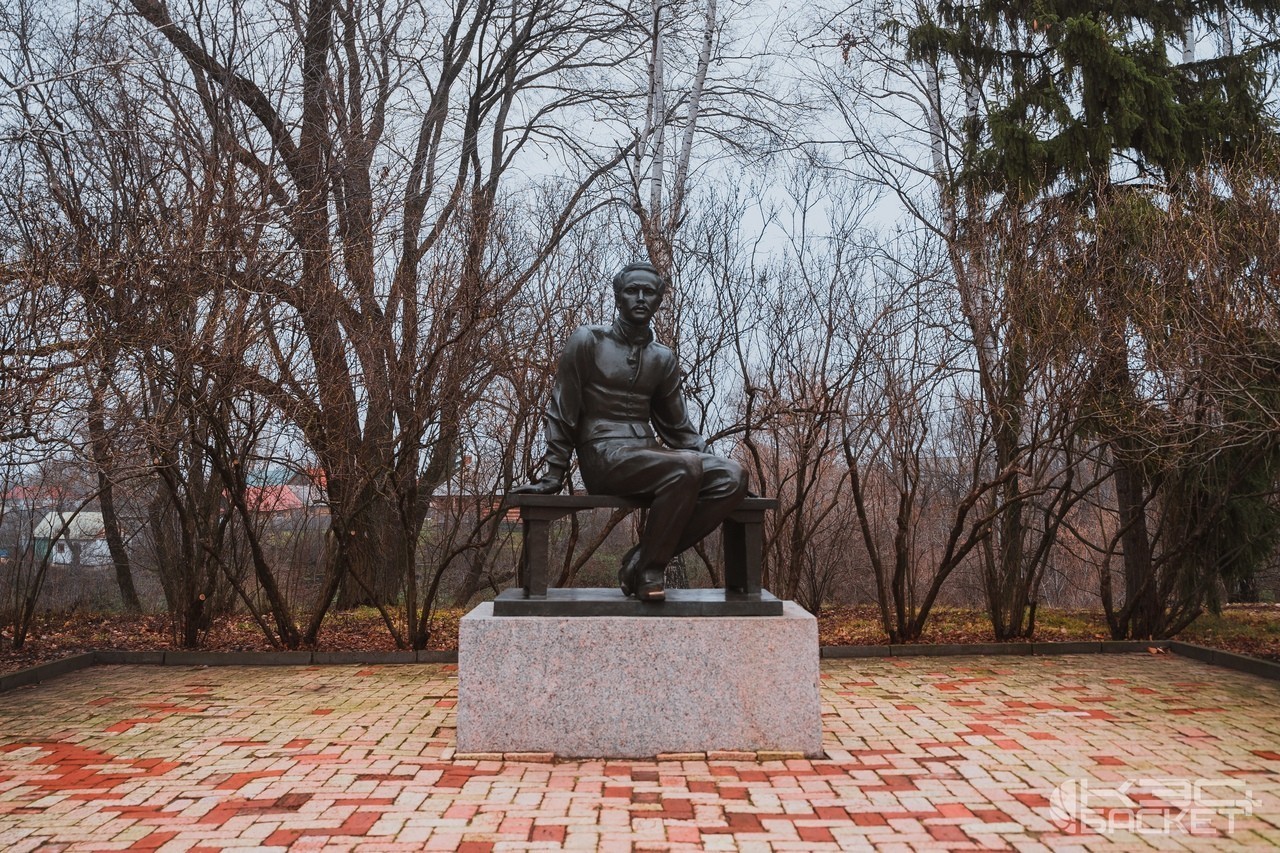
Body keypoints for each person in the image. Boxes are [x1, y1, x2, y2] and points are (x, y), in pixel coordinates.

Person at [513, 262, 749, 601]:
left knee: (732, 476)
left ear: (658, 301)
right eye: (631, 291)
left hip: (651, 456)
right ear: (618, 296)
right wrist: (554, 474)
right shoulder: (588, 341)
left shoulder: (662, 358)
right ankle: (651, 570)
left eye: (648, 292)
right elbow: (563, 409)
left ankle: (639, 559)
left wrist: (727, 472)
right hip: (603, 455)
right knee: (685, 467)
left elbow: (679, 429)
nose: (640, 298)